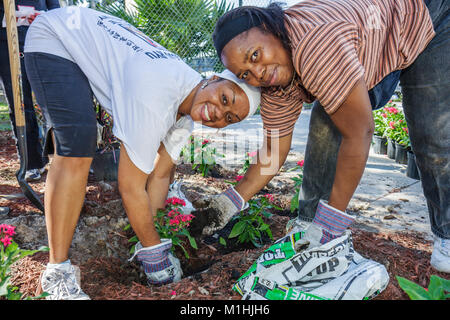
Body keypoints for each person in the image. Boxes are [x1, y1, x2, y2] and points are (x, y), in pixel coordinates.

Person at [192, 0, 449, 273]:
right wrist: (230, 202)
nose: (257, 73)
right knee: (327, 118)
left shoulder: (315, 45)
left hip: (424, 15)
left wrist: (331, 224)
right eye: (245, 74)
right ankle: (310, 221)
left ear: (271, 29)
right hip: (377, 36)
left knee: (432, 135)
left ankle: (446, 233)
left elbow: (359, 132)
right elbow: (273, 154)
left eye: (255, 55)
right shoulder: (274, 84)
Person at [23, 6, 260, 300]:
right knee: (77, 146)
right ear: (213, 78)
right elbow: (132, 186)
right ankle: (56, 273)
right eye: (225, 99)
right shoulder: (155, 97)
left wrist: (156, 231)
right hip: (55, 36)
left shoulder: (186, 106)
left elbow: (159, 175)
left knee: (85, 141)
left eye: (229, 118)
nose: (219, 113)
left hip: (79, 39)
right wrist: (153, 251)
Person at [0, 0, 60, 181]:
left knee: (55, 101)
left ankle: (66, 158)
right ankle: (32, 163)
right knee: (20, 103)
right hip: (7, 44)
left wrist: (44, 18)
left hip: (41, 40)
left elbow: (55, 9)